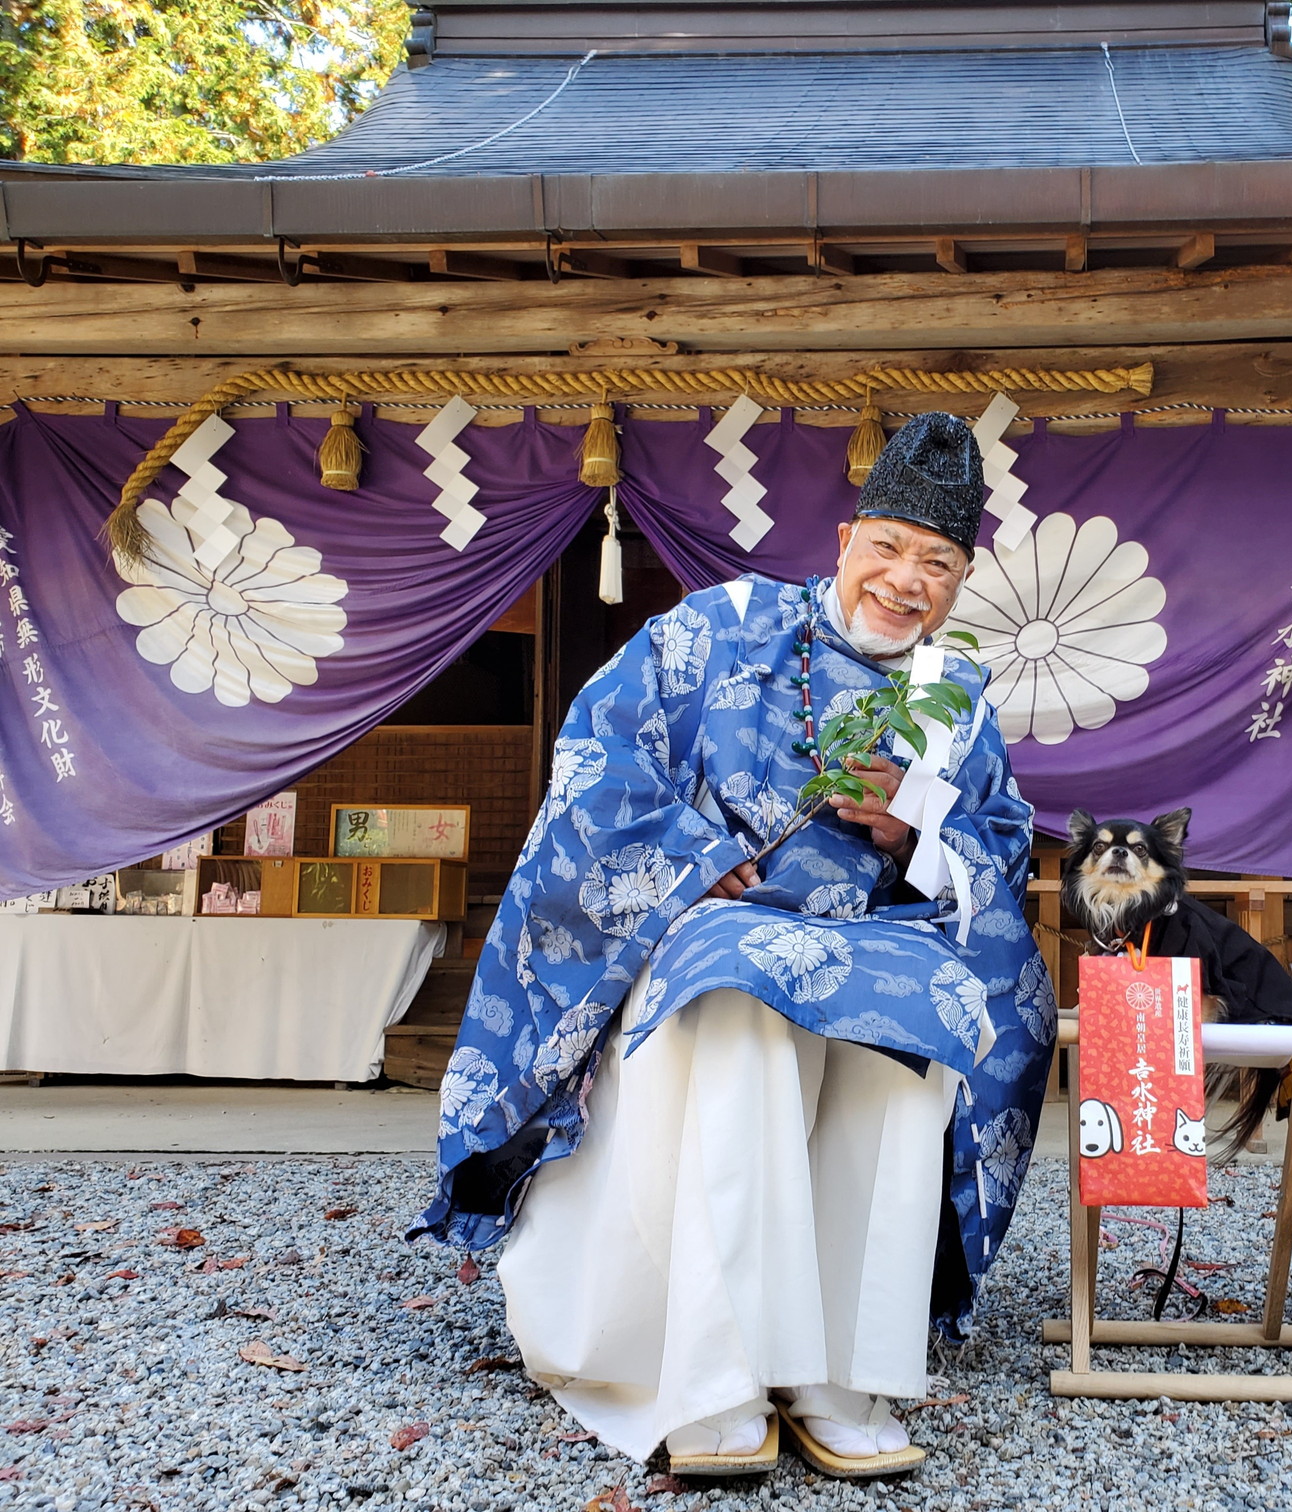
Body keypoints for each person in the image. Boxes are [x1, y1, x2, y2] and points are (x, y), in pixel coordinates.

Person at [409, 413, 1056, 1478]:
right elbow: (596, 758)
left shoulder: (957, 699)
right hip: (711, 929)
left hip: (876, 937)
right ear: (847, 539)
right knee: (745, 986)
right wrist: (687, 852)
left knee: (934, 1001)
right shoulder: (719, 628)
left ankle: (846, 1371)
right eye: (888, 548)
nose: (905, 581)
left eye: (936, 564)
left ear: (961, 579)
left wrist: (917, 829)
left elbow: (1005, 840)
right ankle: (717, 1373)